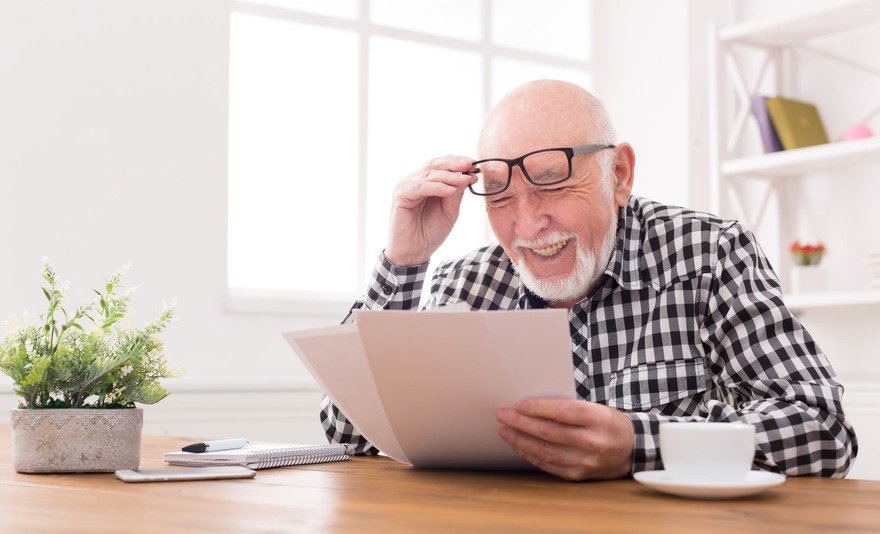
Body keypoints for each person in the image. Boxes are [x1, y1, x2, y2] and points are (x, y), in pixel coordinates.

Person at [320, 79, 857, 481]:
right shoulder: (468, 283)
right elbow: (347, 435)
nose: (527, 226)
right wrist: (405, 262)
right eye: (500, 193)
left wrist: (641, 443)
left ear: (619, 175)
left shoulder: (708, 253)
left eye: (551, 182)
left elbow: (823, 428)